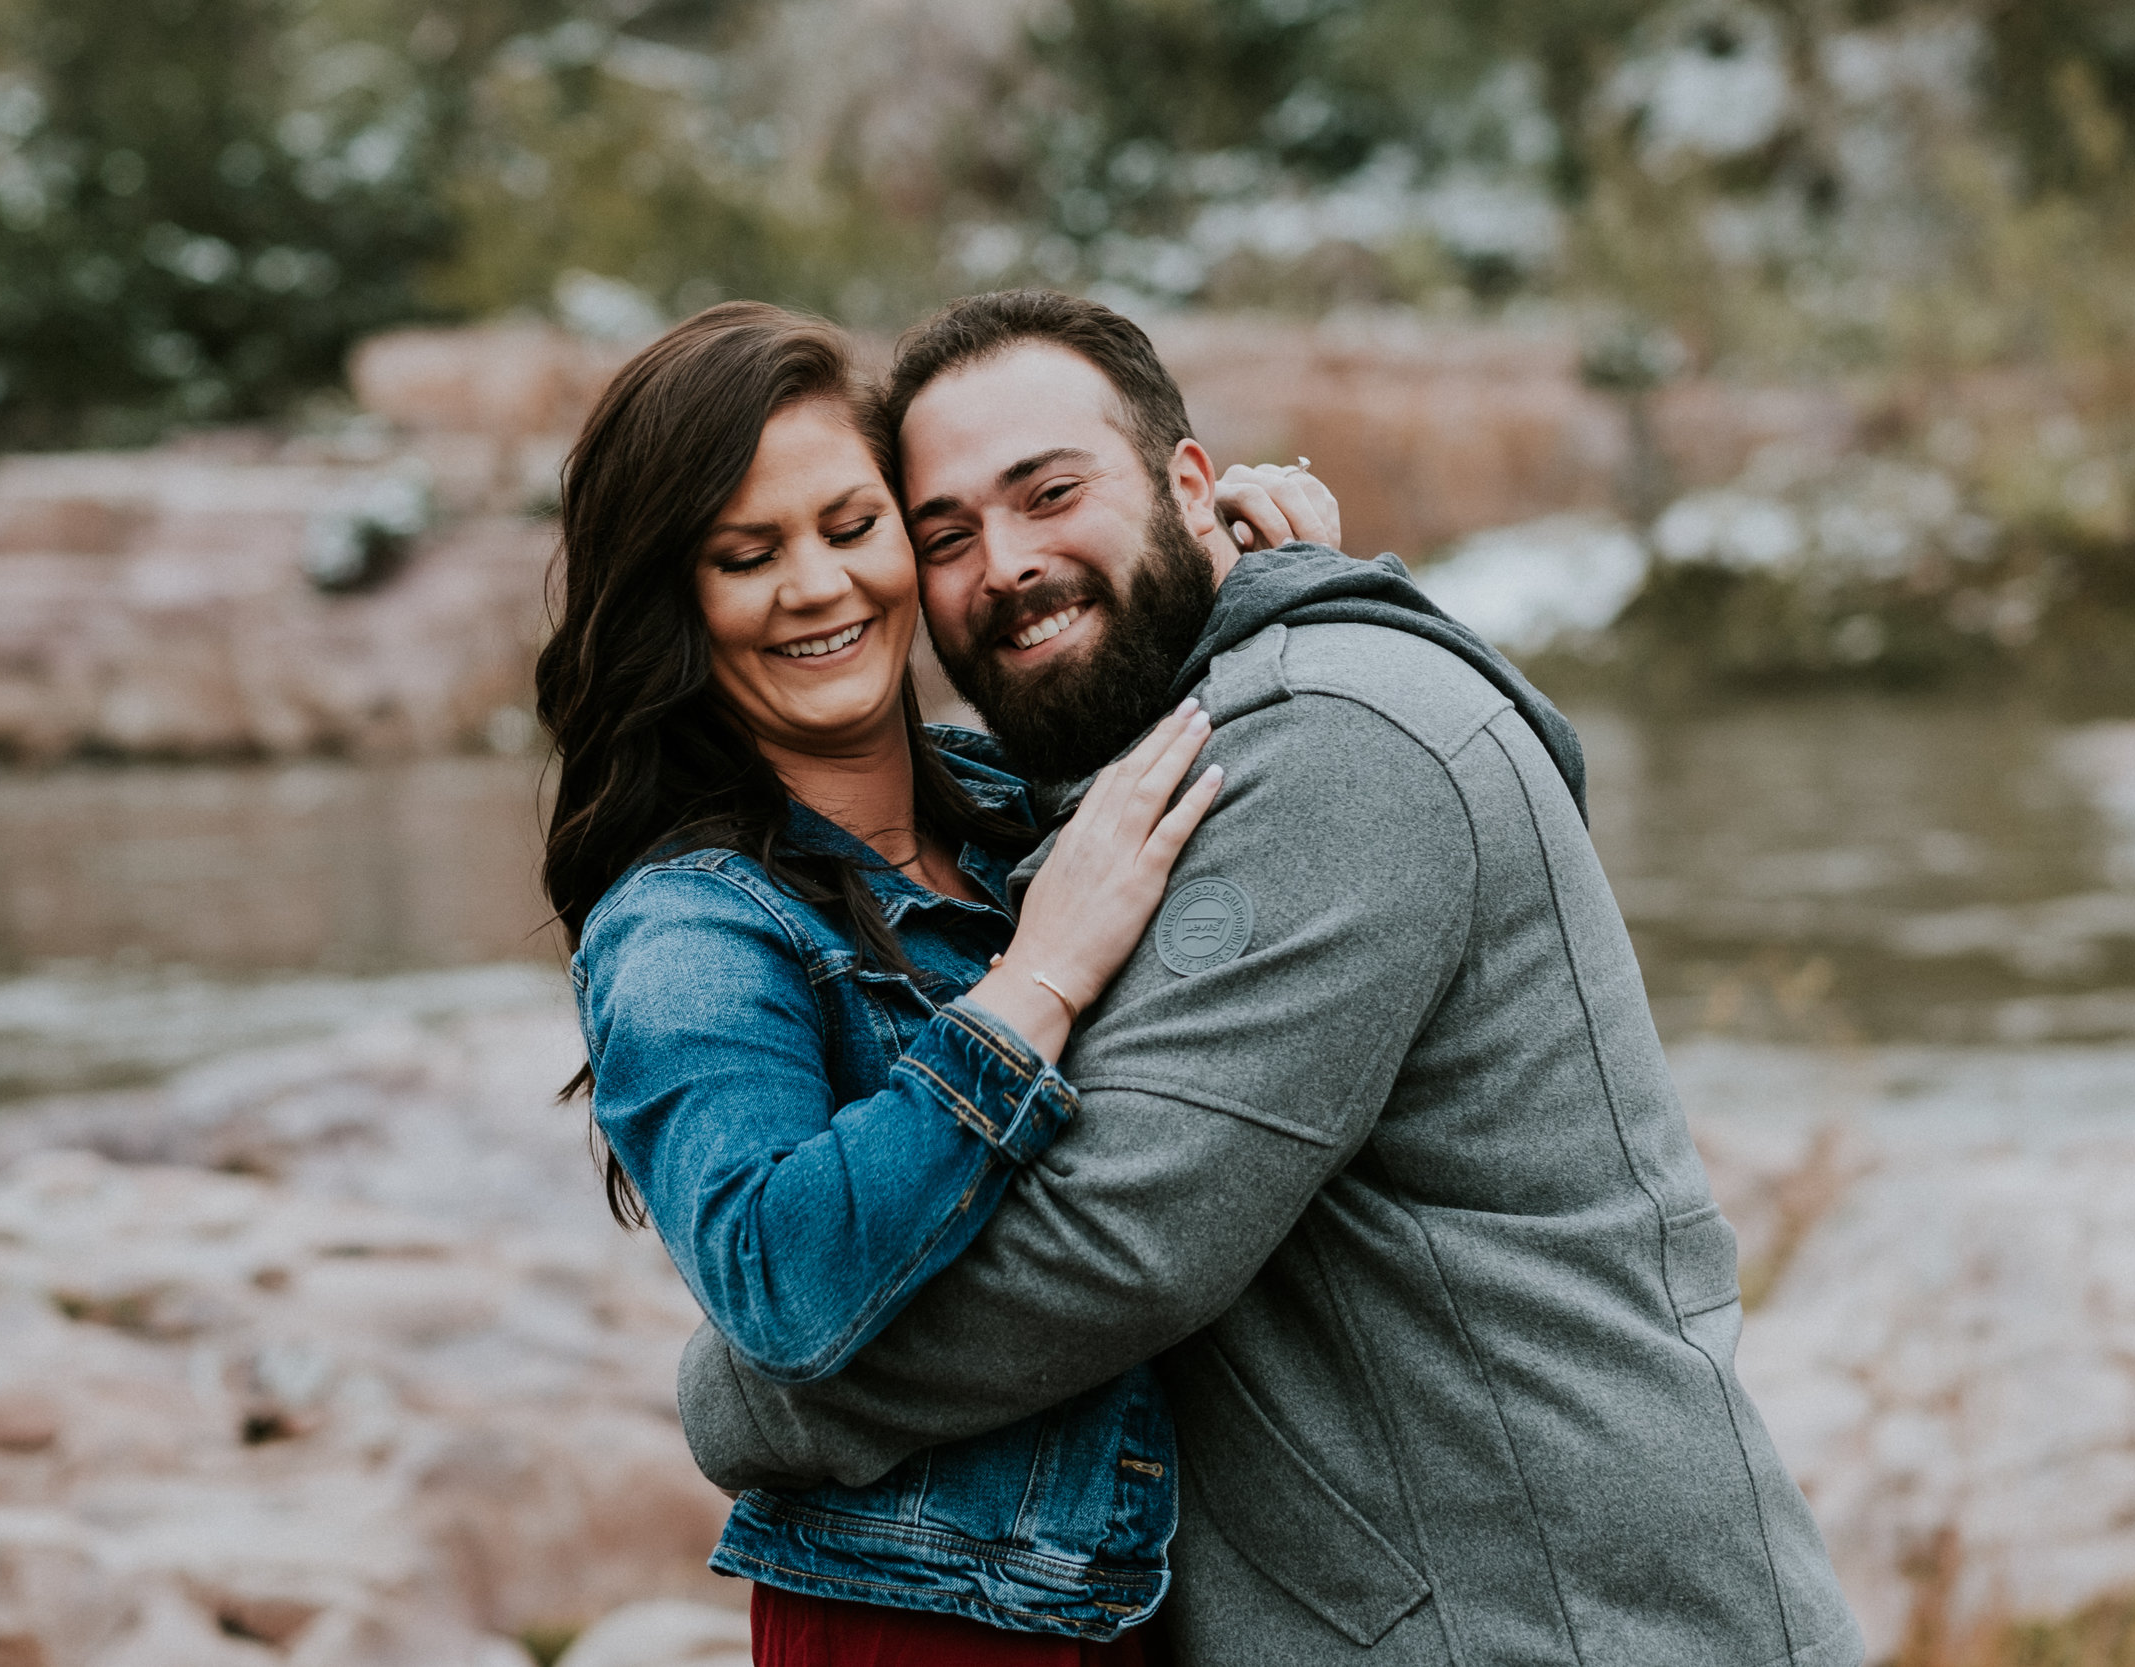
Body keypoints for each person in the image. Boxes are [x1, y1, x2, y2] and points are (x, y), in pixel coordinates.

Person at [675, 291, 1867, 1666]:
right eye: (946, 535)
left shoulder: (1324, 749)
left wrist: (746, 1394)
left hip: (1556, 1629)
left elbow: (1116, 1246)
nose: (1004, 563)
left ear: (1190, 484)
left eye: (1051, 492)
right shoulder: (1170, 747)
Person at [536, 302, 1337, 1666]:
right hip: (926, 1623)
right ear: (679, 603)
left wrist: (1261, 577)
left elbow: (1209, 757)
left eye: (853, 527)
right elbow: (779, 1283)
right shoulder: (684, 928)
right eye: (747, 556)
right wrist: (1034, 984)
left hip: (1147, 1594)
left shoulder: (1012, 801)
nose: (818, 587)